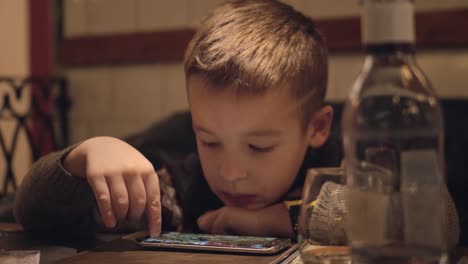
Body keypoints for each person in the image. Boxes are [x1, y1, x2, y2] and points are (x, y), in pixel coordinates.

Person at [13, 0, 459, 248]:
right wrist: (81, 158)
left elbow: (435, 216)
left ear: (317, 128)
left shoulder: (346, 156)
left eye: (260, 147)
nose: (230, 172)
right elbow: (31, 211)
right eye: (210, 141)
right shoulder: (182, 187)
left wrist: (282, 219)